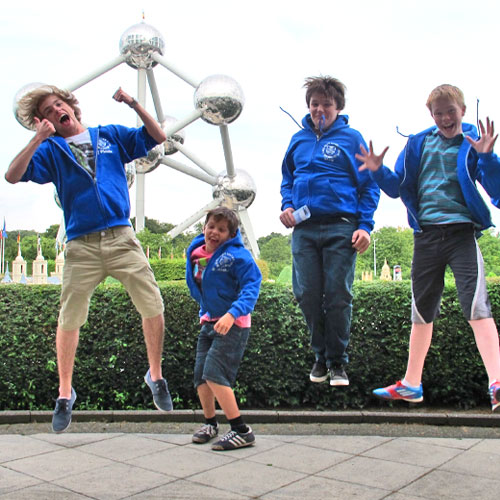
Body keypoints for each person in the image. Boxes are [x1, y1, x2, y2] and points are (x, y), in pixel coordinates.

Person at [5, 85, 173, 432]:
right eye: (48, 112)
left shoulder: (108, 135)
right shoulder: (50, 150)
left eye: (59, 105)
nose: (56, 112)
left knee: (152, 303)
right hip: (81, 244)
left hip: (120, 236)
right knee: (70, 316)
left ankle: (155, 375)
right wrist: (38, 139)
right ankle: (65, 393)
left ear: (71, 106)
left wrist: (133, 103)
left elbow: (157, 136)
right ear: (43, 121)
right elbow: (12, 174)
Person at [356, 83, 500, 411]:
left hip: (462, 235)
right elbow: (398, 188)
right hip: (426, 237)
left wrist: (488, 157)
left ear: (462, 111)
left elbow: (496, 190)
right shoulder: (418, 143)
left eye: (451, 111)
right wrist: (378, 171)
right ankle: (411, 383)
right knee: (420, 313)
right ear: (431, 114)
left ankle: (497, 383)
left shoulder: (472, 143)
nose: (446, 117)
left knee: (477, 307)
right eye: (439, 113)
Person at [279, 76, 380, 386]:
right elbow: (287, 178)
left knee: (337, 295)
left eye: (326, 104)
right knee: (306, 294)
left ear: (338, 107)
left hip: (341, 226)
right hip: (304, 230)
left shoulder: (352, 139)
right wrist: (286, 205)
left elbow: (369, 185)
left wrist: (365, 226)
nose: (319, 109)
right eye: (314, 104)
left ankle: (337, 362)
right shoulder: (298, 139)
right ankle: (319, 356)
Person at [185, 207, 262, 450]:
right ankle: (210, 424)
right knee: (200, 377)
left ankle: (241, 430)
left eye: (221, 229)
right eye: (211, 227)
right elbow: (203, 285)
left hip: (233, 324)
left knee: (215, 374)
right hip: (210, 321)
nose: (214, 232)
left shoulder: (238, 257)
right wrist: (205, 311)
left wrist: (232, 313)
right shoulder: (196, 252)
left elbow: (252, 286)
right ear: (204, 227)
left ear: (231, 235)